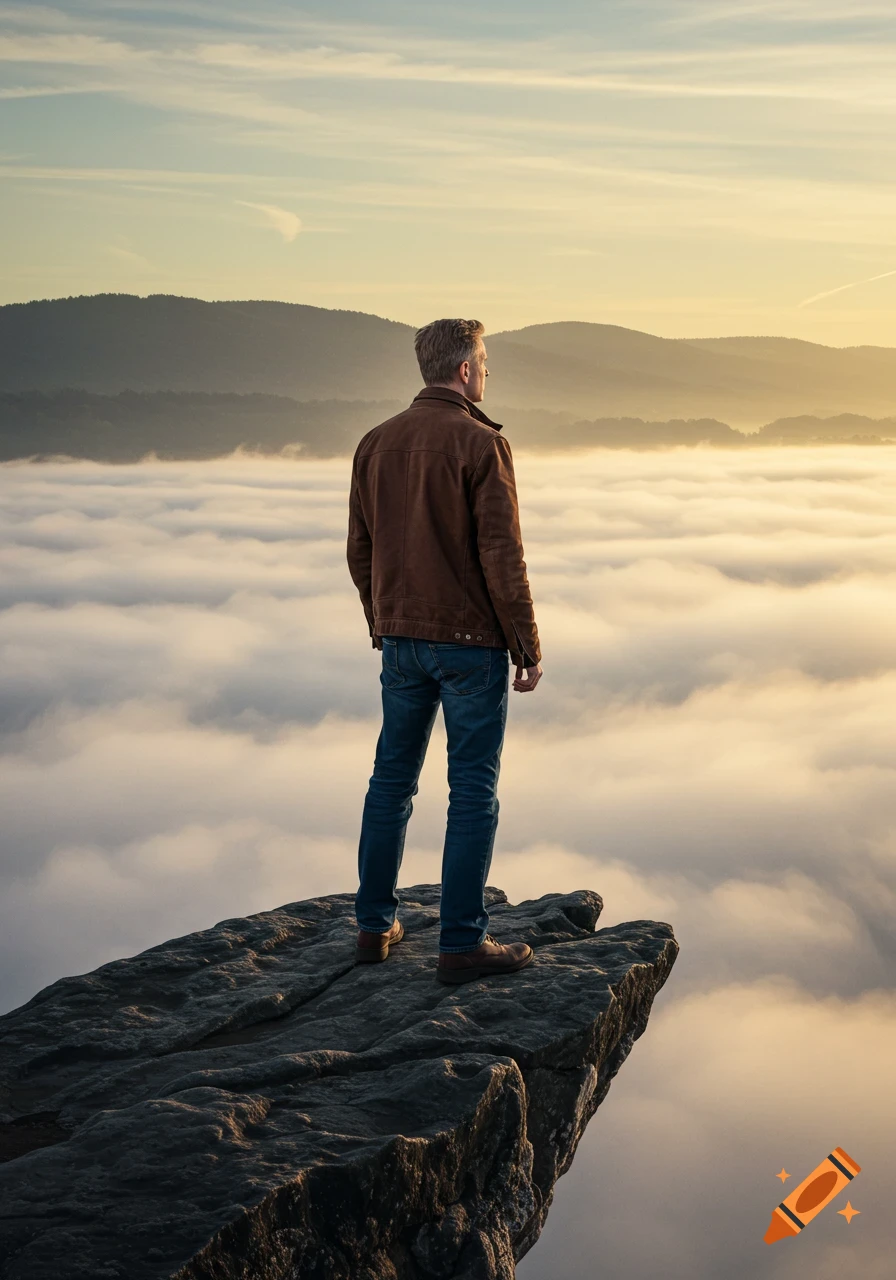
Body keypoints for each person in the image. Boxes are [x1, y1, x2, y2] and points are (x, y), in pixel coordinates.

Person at [347, 318, 543, 984]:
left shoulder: (375, 443)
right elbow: (502, 556)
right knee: (473, 793)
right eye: (485, 362)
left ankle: (373, 928)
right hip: (469, 646)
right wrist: (525, 642)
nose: (487, 373)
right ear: (463, 370)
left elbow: (359, 550)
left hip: (401, 642)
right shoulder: (482, 443)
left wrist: (386, 620)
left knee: (390, 783)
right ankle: (461, 942)